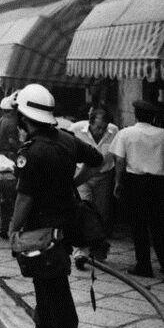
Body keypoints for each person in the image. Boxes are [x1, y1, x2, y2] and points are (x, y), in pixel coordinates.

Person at [8, 84, 102, 328]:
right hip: (65, 224)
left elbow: (24, 197)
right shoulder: (67, 139)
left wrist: (13, 230)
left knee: (55, 289)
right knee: (44, 283)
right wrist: (75, 180)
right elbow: (97, 159)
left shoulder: (31, 152)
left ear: (24, 118)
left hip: (43, 231)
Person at [110, 100, 164, 278]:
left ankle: (144, 265)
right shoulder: (162, 135)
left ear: (136, 115)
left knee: (138, 225)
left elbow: (119, 161)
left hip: (135, 182)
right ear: (153, 117)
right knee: (158, 225)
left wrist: (118, 182)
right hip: (158, 183)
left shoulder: (126, 134)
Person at [69, 107, 118, 270]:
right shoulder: (76, 129)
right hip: (82, 175)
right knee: (82, 210)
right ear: (90, 122)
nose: (101, 131)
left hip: (104, 176)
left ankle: (98, 247)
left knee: (101, 212)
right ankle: (80, 253)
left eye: (104, 127)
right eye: (98, 127)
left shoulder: (114, 131)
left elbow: (116, 155)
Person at [0, 93, 21, 159]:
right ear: (13, 110)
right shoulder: (11, 122)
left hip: (0, 153)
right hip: (9, 155)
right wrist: (20, 149)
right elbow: (11, 141)